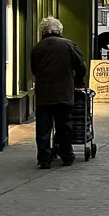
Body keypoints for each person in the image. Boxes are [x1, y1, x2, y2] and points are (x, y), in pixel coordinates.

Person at [30, 16, 86, 169]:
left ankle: (44, 158)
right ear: (59, 30)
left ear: (43, 31)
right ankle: (67, 155)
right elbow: (81, 66)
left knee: (43, 128)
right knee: (64, 125)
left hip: (44, 94)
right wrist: (76, 79)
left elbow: (34, 69)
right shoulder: (68, 45)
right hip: (64, 92)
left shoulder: (37, 48)